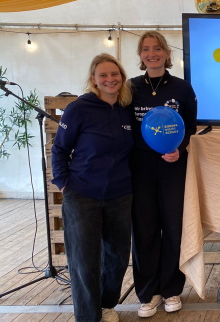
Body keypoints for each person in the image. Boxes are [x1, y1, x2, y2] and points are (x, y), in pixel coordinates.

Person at [51, 53, 134, 322]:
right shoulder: (79, 108)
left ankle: (106, 305)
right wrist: (64, 184)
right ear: (93, 79)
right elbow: (60, 149)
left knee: (118, 257)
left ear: (121, 77)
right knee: (84, 260)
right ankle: (88, 317)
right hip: (82, 194)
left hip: (120, 195)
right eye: (103, 75)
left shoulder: (126, 108)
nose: (110, 79)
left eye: (114, 74)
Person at [129, 31, 197, 317]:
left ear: (167, 54)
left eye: (157, 48)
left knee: (172, 229)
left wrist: (178, 148)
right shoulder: (129, 88)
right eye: (146, 49)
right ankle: (148, 293)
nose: (152, 53)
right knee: (144, 231)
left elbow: (190, 126)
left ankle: (171, 290)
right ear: (140, 55)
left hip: (173, 168)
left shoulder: (182, 88)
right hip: (139, 170)